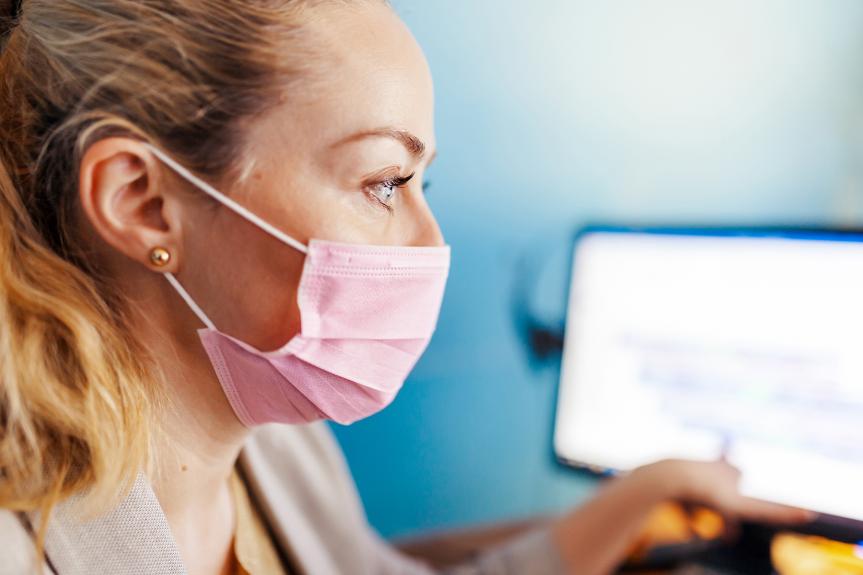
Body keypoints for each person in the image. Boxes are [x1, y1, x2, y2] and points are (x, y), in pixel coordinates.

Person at [0, 1, 812, 574]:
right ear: (141, 201)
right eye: (385, 181)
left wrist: (647, 490)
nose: (431, 240)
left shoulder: (276, 441)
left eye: (424, 182)